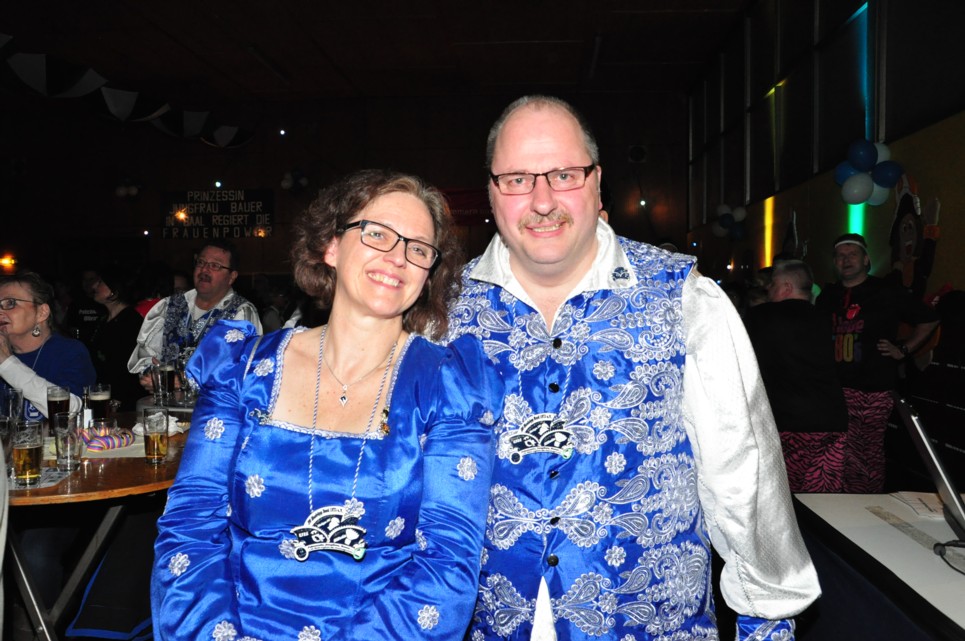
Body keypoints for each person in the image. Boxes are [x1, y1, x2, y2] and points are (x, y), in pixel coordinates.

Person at [445, 95, 820, 640]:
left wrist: (767, 612)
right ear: (491, 191)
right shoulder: (443, 314)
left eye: (564, 175)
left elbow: (743, 471)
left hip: (653, 622)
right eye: (518, 179)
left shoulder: (685, 298)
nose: (542, 201)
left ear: (597, 182)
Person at [151, 169, 500, 640]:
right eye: (377, 233)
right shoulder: (242, 367)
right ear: (331, 246)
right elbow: (190, 527)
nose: (397, 257)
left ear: (428, 273)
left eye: (418, 248)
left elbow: (448, 564)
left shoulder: (448, 385)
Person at [815, 233, 940, 492]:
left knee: (866, 455)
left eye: (852, 254)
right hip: (833, 388)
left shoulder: (885, 291)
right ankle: (837, 502)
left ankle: (867, 503)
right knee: (834, 450)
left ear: (866, 259)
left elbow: (929, 319)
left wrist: (903, 349)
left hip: (872, 389)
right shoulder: (828, 296)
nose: (846, 259)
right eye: (840, 255)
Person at [744, 260, 849, 492]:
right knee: (822, 500)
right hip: (831, 421)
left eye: (772, 285)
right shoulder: (829, 318)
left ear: (786, 287)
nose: (768, 289)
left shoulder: (761, 317)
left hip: (787, 423)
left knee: (784, 497)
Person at [127, 240, 262, 383]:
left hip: (210, 398)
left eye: (215, 265)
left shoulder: (241, 313)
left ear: (232, 276)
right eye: (201, 262)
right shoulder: (168, 306)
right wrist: (152, 375)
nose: (204, 270)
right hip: (164, 397)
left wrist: (185, 382)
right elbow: (145, 355)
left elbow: (243, 370)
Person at [0, 271, 96, 421]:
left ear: (42, 312)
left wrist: (6, 363)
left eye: (10, 303)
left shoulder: (70, 352)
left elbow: (69, 412)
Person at [89, 266, 146, 410]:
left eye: (101, 282)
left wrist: (118, 400)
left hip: (123, 402)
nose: (94, 286)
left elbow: (129, 369)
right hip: (103, 395)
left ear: (115, 289)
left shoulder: (131, 322)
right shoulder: (104, 320)